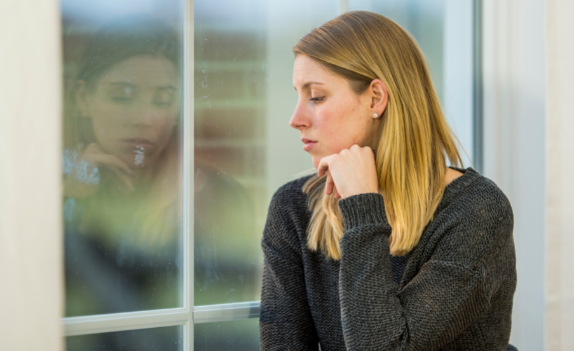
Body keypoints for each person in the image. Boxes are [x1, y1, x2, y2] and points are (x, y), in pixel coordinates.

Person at [259, 11, 517, 351]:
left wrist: (363, 210)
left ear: (376, 98)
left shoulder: (477, 212)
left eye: (316, 96)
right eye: (298, 94)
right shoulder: (294, 207)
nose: (296, 119)